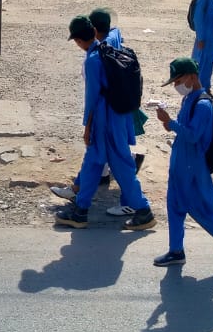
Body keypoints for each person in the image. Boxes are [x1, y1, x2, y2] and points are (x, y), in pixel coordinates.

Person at [54, 16, 156, 230]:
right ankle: (80, 210)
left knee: (120, 166)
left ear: (78, 41)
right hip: (117, 117)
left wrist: (87, 127)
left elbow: (92, 98)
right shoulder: (107, 49)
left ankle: (143, 210)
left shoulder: (92, 60)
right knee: (93, 163)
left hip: (104, 120)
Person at [151, 57, 213, 268]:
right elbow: (184, 129)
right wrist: (170, 124)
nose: (176, 86)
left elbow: (193, 136)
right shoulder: (189, 100)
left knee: (200, 209)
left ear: (192, 77)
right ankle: (176, 251)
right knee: (174, 207)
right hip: (180, 165)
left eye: (178, 81)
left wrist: (170, 123)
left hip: (192, 168)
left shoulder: (202, 105)